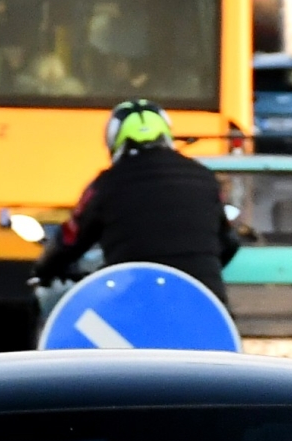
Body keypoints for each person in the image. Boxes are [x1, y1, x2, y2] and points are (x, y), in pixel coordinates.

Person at [31, 99, 238, 297]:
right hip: (205, 307)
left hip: (135, 305)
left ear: (114, 139)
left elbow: (69, 240)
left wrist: (43, 269)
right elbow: (229, 242)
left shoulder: (105, 185)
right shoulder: (204, 178)